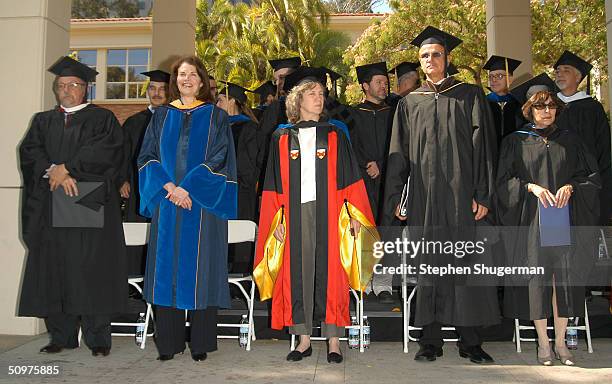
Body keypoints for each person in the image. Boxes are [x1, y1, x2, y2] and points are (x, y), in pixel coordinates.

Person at [383, 26, 499, 364]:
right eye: (424, 56)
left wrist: (482, 194)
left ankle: (470, 341)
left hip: (463, 198)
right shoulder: (409, 103)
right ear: (420, 62)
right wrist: (397, 201)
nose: (430, 60)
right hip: (424, 198)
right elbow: (398, 154)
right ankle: (430, 340)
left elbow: (484, 149)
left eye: (436, 54)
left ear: (447, 58)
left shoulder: (469, 95)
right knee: (428, 268)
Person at [253, 67, 376, 364]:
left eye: (321, 94)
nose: (318, 98)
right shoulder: (282, 137)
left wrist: (356, 216)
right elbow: (273, 184)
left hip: (331, 212)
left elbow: (350, 179)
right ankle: (303, 339)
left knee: (332, 272)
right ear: (297, 99)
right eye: (312, 93)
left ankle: (334, 340)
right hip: (294, 215)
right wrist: (275, 223)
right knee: (297, 274)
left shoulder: (335, 134)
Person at [19, 56, 127, 357]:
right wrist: (52, 170)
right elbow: (30, 153)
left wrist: (69, 169)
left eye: (73, 85)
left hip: (86, 199)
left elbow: (108, 152)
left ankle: (98, 338)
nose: (66, 90)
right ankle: (61, 336)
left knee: (90, 270)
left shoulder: (102, 118)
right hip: (51, 201)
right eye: (61, 85)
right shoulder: (43, 121)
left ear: (85, 89)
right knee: (55, 269)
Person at [137, 55, 237, 362]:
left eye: (193, 74)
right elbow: (147, 156)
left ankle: (201, 343)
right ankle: (169, 343)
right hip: (169, 204)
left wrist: (187, 187)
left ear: (203, 81)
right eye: (181, 74)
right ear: (175, 81)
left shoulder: (216, 116)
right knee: (166, 271)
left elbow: (221, 157)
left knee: (202, 269)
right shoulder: (162, 116)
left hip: (201, 204)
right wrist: (169, 188)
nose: (187, 79)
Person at [500, 74, 600, 366]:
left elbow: (590, 179)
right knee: (537, 282)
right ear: (529, 110)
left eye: (551, 106)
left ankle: (561, 343)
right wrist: (530, 187)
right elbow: (503, 182)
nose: (546, 111)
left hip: (564, 219)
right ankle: (544, 344)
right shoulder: (515, 142)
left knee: (562, 282)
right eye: (539, 106)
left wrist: (572, 187)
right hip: (533, 221)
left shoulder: (571, 141)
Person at [119, 69, 169, 275]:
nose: (156, 93)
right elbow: (122, 155)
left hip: (166, 190)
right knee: (137, 234)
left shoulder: (175, 120)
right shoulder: (134, 122)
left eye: (162, 89)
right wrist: (122, 180)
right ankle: (134, 281)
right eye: (152, 88)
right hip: (138, 188)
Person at [553, 50, 612, 226]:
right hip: (554, 184)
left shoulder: (592, 108)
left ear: (578, 78)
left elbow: (603, 150)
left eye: (566, 70)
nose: (559, 74)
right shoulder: (548, 107)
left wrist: (604, 190)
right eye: (557, 71)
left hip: (586, 185)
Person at [216, 81, 261, 272]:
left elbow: (248, 165)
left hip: (240, 192)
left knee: (239, 238)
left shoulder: (249, 128)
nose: (216, 105)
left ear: (232, 101)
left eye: (219, 100)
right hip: (220, 193)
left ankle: (238, 280)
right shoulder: (217, 128)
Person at [483, 55, 524, 147]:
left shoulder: (521, 103)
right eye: (491, 76)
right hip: (490, 154)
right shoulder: (483, 103)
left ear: (510, 78)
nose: (494, 80)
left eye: (499, 76)